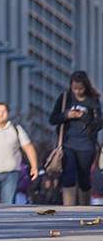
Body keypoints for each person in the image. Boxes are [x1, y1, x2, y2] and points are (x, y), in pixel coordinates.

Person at [47, 71, 101, 206]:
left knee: (84, 179)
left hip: (86, 145)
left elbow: (98, 123)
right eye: (74, 88)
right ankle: (68, 209)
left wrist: (83, 117)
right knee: (68, 176)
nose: (77, 91)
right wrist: (66, 115)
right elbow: (53, 119)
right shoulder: (65, 98)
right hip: (67, 143)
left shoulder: (93, 101)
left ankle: (84, 207)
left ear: (86, 86)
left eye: (80, 88)